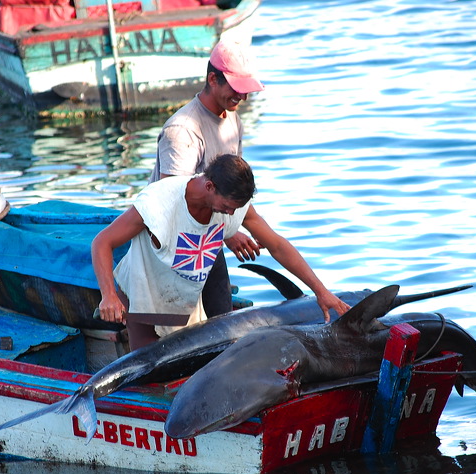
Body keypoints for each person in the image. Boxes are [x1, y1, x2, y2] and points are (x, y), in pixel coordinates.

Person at [92, 155, 350, 350]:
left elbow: (277, 245)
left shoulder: (236, 207)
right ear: (209, 186)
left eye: (235, 209)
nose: (230, 214)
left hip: (185, 298)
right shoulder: (158, 203)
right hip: (144, 290)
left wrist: (321, 291)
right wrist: (109, 296)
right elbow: (102, 242)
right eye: (227, 206)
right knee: (147, 366)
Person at [150, 39, 265, 318]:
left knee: (221, 320)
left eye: (245, 91)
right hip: (173, 243)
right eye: (236, 89)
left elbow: (232, 188)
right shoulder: (183, 130)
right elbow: (173, 204)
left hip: (209, 236)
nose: (242, 98)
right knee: (175, 327)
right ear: (213, 79)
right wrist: (228, 232)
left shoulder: (232, 120)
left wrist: (229, 230)